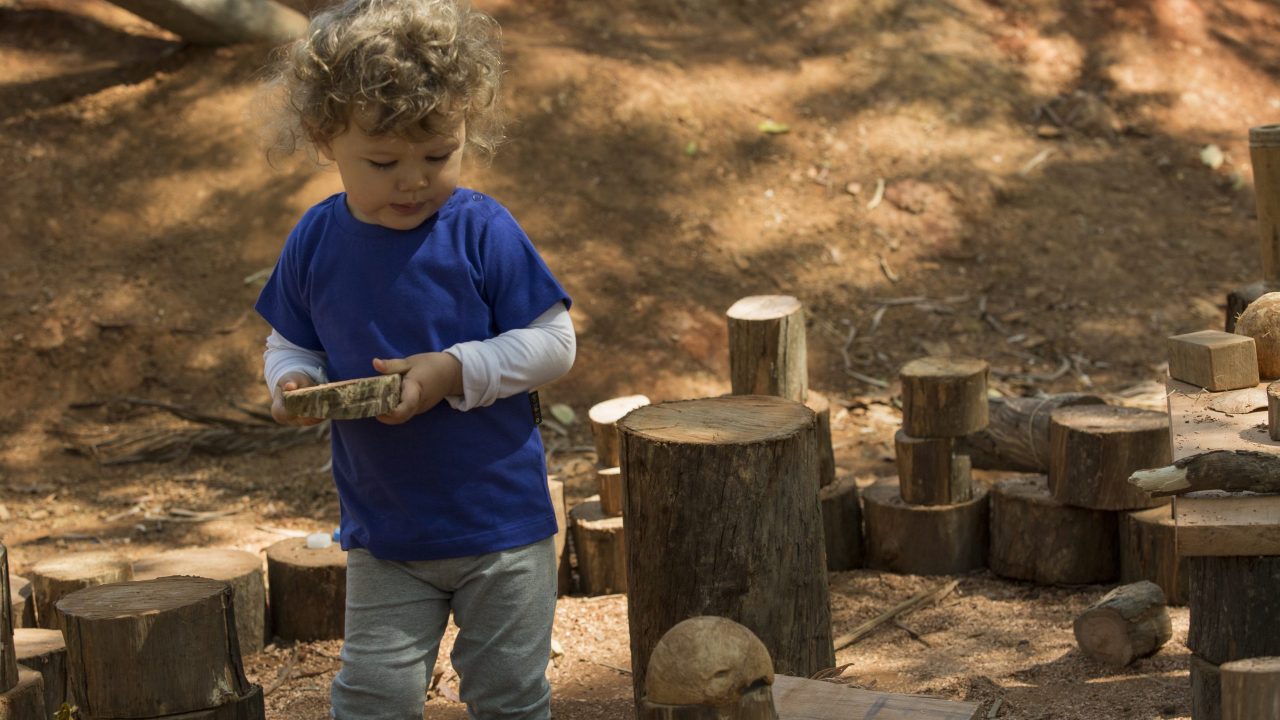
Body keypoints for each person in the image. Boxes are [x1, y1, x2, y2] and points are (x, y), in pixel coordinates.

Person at [254, 1, 574, 718]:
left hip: (501, 529)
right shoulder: (315, 241)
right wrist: (293, 381)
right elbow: (290, 340)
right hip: (386, 533)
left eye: (438, 156)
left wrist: (453, 371)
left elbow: (556, 343)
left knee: (510, 697)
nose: (413, 181)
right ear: (324, 136)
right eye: (383, 161)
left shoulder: (482, 230)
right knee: (373, 697)